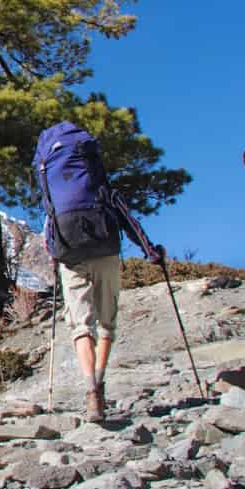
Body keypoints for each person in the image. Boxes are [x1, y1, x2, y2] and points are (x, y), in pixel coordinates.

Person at [41, 159, 164, 420]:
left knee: (81, 326)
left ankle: (90, 392)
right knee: (107, 323)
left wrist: (56, 260)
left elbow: (48, 235)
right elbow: (130, 223)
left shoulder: (56, 194)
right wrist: (150, 252)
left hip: (71, 258)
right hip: (106, 254)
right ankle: (99, 382)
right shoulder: (104, 189)